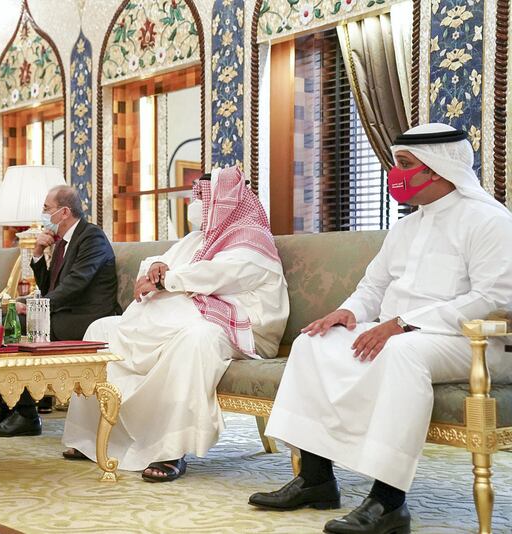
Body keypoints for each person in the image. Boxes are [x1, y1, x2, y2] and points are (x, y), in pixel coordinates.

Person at [248, 124, 512, 534]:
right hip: (405, 333)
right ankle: (316, 480)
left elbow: (494, 299)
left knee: (402, 352)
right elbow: (373, 285)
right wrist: (347, 312)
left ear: (438, 169)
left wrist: (403, 324)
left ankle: (388, 502)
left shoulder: (488, 221)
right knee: (314, 342)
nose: (396, 174)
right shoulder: (406, 227)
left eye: (404, 165)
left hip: (472, 342)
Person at [61, 166, 289, 482]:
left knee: (194, 340)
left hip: (241, 329)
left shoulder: (252, 240)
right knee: (101, 329)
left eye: (202, 198)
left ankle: (169, 449)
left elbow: (221, 274)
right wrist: (156, 269)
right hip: (193, 315)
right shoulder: (198, 238)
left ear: (223, 202)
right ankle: (89, 439)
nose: (195, 205)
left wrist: (167, 279)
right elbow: (158, 263)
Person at [0, 185, 121, 437]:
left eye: (47, 209)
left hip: (88, 318)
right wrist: (37, 254)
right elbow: (51, 286)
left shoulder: (92, 237)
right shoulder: (61, 243)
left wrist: (38, 309)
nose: (43, 214)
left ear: (64, 212)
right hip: (64, 312)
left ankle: (25, 414)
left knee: (13, 324)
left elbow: (76, 284)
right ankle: (6, 403)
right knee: (4, 322)